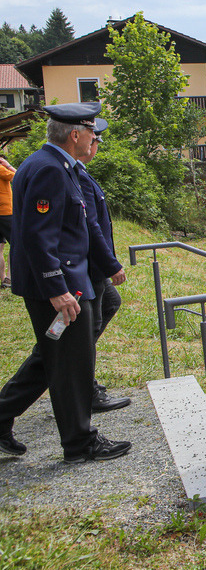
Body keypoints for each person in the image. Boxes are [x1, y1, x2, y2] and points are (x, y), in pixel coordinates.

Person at [0, 102, 130, 463]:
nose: (94, 138)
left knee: (57, 359)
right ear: (75, 134)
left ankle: (5, 417)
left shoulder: (61, 167)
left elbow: (82, 224)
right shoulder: (48, 170)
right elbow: (39, 237)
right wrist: (57, 288)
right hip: (61, 286)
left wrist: (106, 264)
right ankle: (80, 443)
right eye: (91, 131)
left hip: (71, 281)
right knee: (70, 365)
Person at [77, 117, 131, 413]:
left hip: (91, 267)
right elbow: (91, 225)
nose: (96, 145)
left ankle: (78, 374)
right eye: (95, 139)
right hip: (88, 267)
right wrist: (110, 264)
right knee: (83, 332)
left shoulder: (80, 173)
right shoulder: (77, 176)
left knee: (109, 304)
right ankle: (82, 384)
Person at [0, 155, 14, 289]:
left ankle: (2, 277)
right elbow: (18, 176)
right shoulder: (1, 169)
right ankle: (9, 277)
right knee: (15, 243)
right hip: (5, 212)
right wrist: (7, 165)